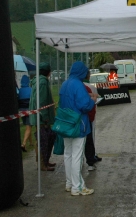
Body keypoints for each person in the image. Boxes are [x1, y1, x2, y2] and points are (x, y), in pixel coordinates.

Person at [59, 61, 95, 196]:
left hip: (65, 123)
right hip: (78, 124)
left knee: (68, 154)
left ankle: (69, 183)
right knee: (77, 156)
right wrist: (92, 101)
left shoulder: (64, 83)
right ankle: (78, 187)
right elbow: (85, 105)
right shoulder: (79, 85)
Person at [29, 62, 56, 171]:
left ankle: (45, 161)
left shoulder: (37, 81)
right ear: (48, 72)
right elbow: (42, 101)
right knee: (42, 141)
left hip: (39, 116)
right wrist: (45, 118)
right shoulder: (43, 83)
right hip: (41, 118)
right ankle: (42, 165)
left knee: (46, 139)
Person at [83, 71, 102, 171]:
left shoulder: (71, 85)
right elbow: (96, 97)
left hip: (75, 117)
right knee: (89, 139)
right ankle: (91, 159)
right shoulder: (90, 87)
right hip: (88, 115)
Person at [19, 75, 33, 152]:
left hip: (21, 111)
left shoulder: (19, 90)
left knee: (28, 126)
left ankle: (31, 142)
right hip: (29, 110)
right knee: (29, 127)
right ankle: (23, 144)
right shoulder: (31, 90)